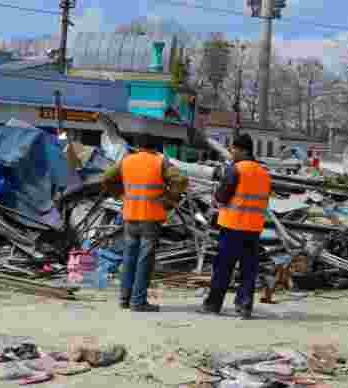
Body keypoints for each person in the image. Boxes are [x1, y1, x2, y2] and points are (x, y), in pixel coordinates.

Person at [102, 139, 185, 312]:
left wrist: (120, 195)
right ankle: (138, 301)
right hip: (151, 216)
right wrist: (169, 199)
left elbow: (107, 178)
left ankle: (125, 299)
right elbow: (181, 180)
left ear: (138, 147)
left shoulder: (127, 160)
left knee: (129, 257)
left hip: (130, 215)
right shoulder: (160, 161)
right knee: (144, 260)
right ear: (155, 149)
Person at [199, 133, 272, 319]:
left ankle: (213, 305)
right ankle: (244, 306)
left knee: (223, 267)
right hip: (254, 228)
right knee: (248, 270)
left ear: (243, 150)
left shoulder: (235, 170)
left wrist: (216, 198)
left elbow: (222, 197)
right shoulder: (264, 172)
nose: (231, 152)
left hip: (232, 226)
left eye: (233, 149)